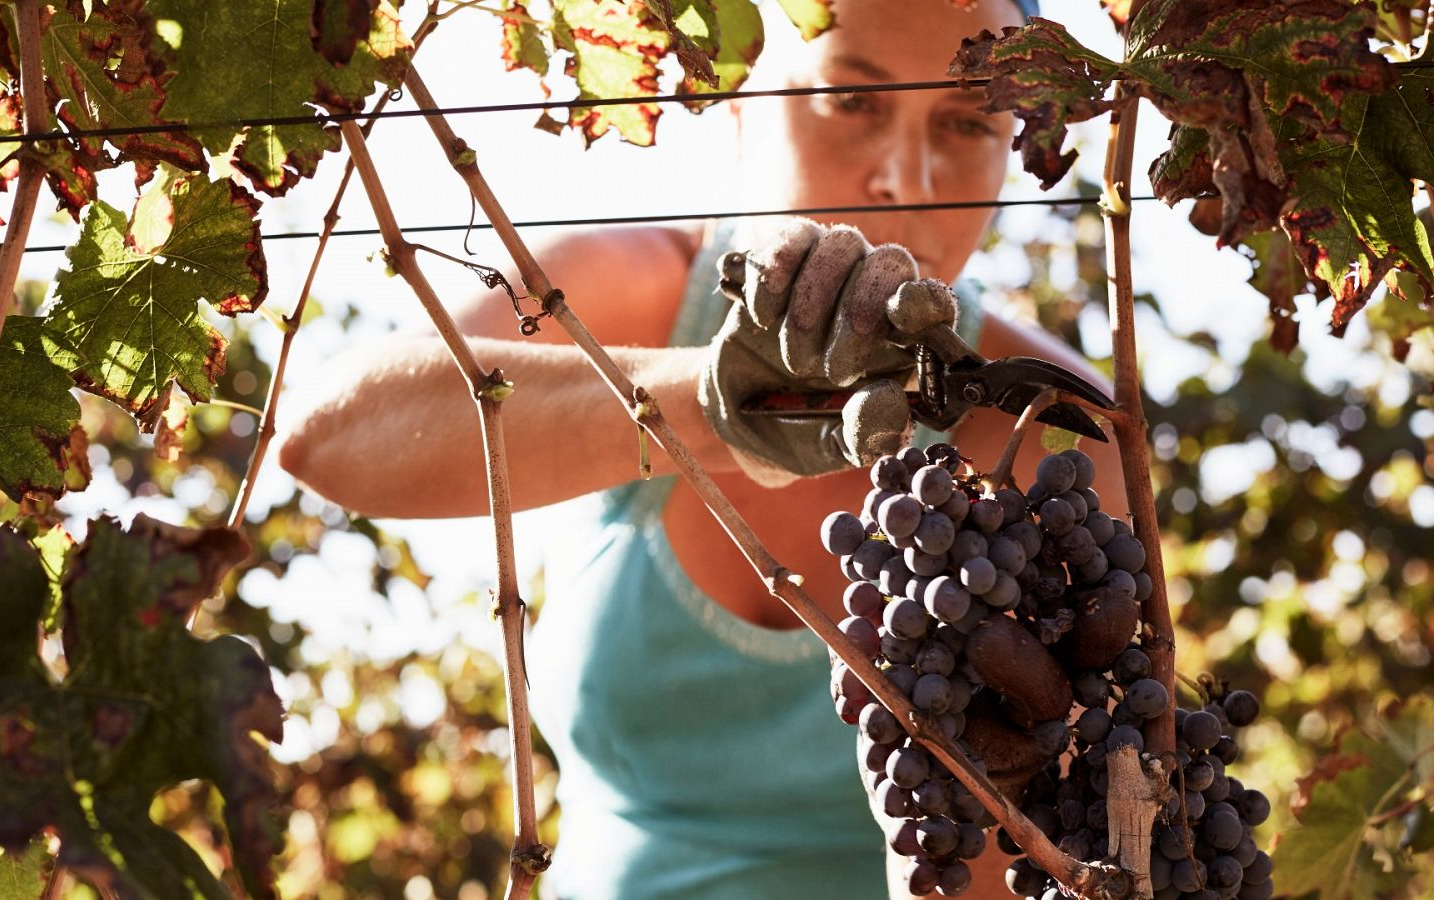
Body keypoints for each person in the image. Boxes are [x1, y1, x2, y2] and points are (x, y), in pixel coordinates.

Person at [279, 0, 1125, 896]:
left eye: (963, 123)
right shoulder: (626, 299)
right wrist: (707, 405)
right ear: (740, 100)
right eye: (853, 101)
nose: (903, 176)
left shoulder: (1050, 431)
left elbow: (1031, 868)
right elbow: (326, 437)